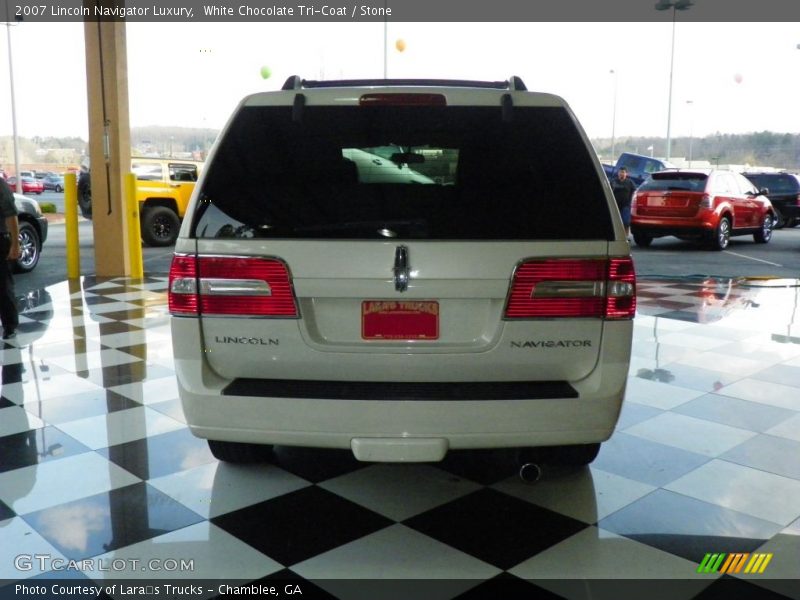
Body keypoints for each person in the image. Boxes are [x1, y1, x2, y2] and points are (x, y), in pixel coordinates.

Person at [0, 177, 20, 339]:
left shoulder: (1, 185)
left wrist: (15, 244)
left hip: (0, 238)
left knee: (3, 285)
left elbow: (11, 215)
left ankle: (10, 326)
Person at [611, 166, 636, 239]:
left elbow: (634, 192)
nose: (621, 174)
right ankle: (616, 237)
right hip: (615, 205)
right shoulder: (613, 182)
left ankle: (626, 237)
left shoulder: (630, 182)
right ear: (618, 173)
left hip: (626, 205)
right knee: (615, 222)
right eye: (620, 172)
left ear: (626, 174)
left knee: (626, 222)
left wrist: (631, 201)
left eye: (623, 172)